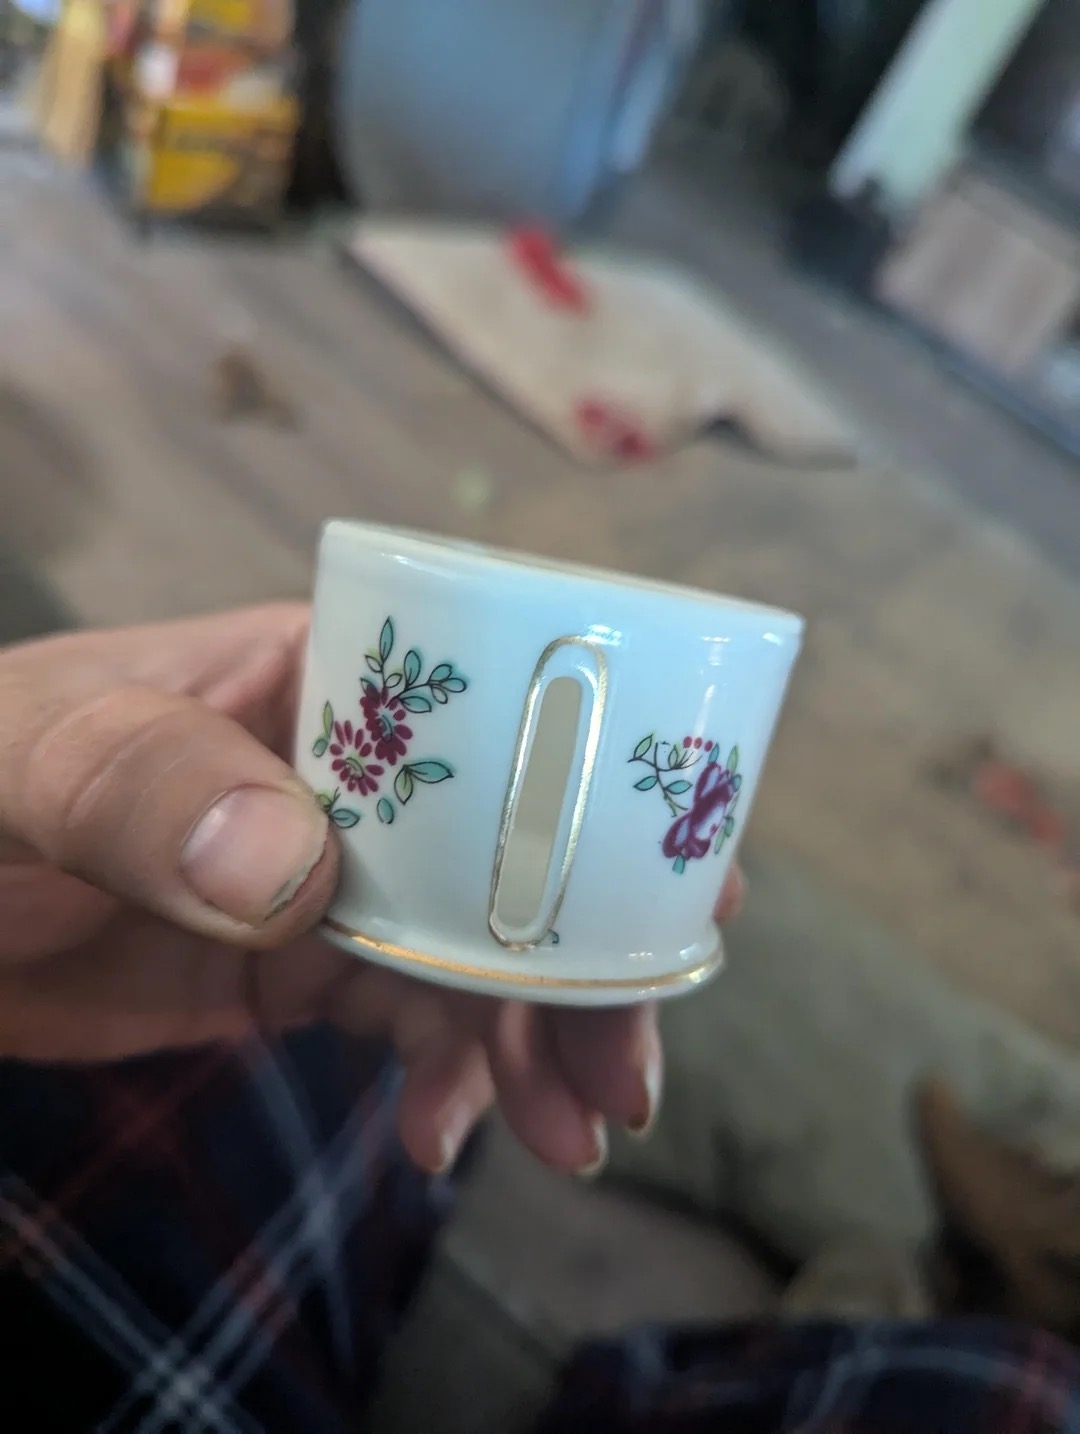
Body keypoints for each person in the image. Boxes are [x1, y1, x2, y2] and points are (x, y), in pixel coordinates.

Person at [3, 606, 1079, 1433]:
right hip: (201, 1232)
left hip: (224, 1075)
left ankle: (997, 1251)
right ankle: (992, 1261)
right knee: (1019, 1396)